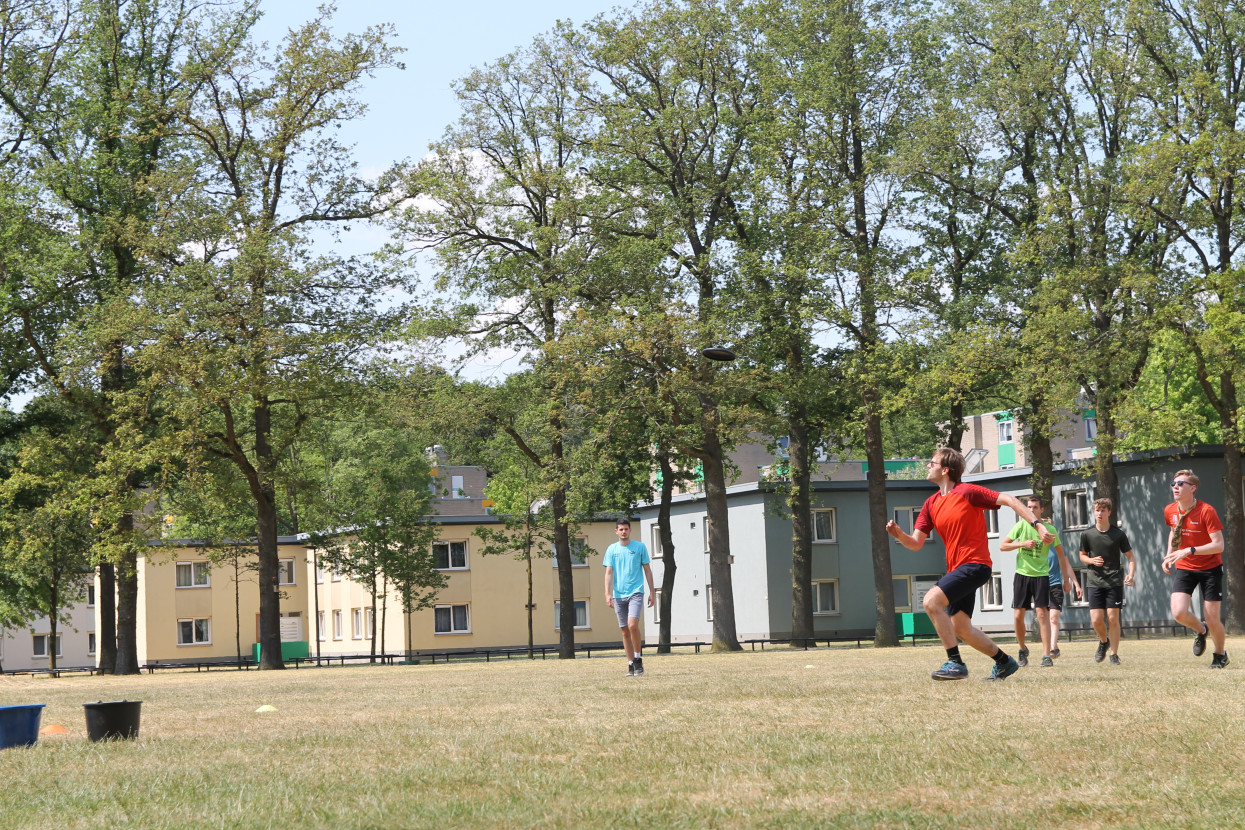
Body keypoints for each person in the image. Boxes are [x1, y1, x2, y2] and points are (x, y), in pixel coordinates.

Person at [886, 447, 1054, 682]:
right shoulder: (931, 504)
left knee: (931, 601)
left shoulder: (967, 492)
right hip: (957, 569)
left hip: (975, 565)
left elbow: (1010, 500)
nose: (928, 466)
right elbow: (915, 543)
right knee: (961, 627)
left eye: (932, 463)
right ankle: (1004, 662)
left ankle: (955, 662)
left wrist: (1038, 525)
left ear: (946, 470)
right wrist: (898, 534)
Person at [1000, 494, 1079, 668]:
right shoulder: (1021, 526)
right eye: (1028, 507)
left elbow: (1061, 554)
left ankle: (1046, 655)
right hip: (1022, 574)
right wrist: (1021, 544)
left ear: (1042, 509)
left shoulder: (1049, 529)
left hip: (1041, 576)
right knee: (1018, 615)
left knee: (1042, 614)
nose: (1031, 510)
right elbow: (1003, 546)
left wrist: (1066, 580)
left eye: (1035, 507)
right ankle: (1022, 649)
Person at [1161, 470, 1228, 668]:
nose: (1175, 486)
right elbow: (1174, 531)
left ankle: (1220, 655)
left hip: (1210, 568)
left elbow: (1219, 545)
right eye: (1173, 483)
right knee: (1179, 612)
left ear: (1193, 488)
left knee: (1212, 617)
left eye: (1181, 483)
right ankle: (1201, 630)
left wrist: (1189, 550)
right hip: (1185, 567)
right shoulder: (1170, 510)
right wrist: (1169, 555)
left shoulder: (1207, 511)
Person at [1078, 498, 1136, 665]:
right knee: (1096, 620)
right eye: (1097, 510)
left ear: (1109, 512)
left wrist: (1131, 574)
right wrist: (1091, 561)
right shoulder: (1087, 534)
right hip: (1094, 581)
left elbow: (1131, 557)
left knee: (1112, 618)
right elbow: (1082, 555)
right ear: (1094, 512)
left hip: (1114, 582)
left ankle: (1114, 654)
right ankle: (1104, 641)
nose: (1099, 513)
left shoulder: (1118, 534)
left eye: (1103, 510)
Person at [603, 518, 655, 677]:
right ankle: (631, 663)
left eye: (626, 529)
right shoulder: (612, 549)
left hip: (636, 592)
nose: (623, 531)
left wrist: (652, 592)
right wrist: (607, 593)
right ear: (616, 531)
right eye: (621, 529)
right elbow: (609, 572)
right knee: (625, 630)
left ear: (630, 530)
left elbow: (647, 570)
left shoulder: (639, 547)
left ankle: (638, 659)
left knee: (633, 625)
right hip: (619, 595)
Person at [1046, 525, 1083, 660]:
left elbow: (1067, 566)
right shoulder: (1036, 547)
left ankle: (1052, 648)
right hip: (1040, 585)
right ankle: (1053, 646)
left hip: (1055, 585)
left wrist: (1076, 584)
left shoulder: (1058, 548)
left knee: (1053, 618)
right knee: (1045, 619)